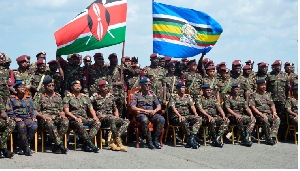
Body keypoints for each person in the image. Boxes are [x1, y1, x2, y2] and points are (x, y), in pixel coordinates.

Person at [91, 80, 129, 152]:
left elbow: (115, 109)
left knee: (126, 121)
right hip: (101, 118)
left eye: (106, 87)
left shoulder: (111, 97)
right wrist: (96, 117)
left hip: (111, 118)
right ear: (99, 87)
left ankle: (114, 139)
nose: (105, 88)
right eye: (103, 87)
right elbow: (90, 109)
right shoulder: (95, 97)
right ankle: (118, 143)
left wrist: (117, 116)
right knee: (111, 119)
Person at [63, 80, 100, 152]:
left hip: (84, 118)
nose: (78, 87)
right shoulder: (67, 98)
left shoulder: (85, 97)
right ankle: (90, 144)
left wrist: (95, 117)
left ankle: (86, 143)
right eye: (75, 85)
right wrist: (75, 118)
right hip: (73, 119)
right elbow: (66, 111)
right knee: (79, 124)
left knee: (97, 123)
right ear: (71, 87)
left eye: (79, 85)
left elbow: (91, 109)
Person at [34, 78, 69, 154]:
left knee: (65, 121)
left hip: (56, 117)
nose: (51, 86)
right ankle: (60, 145)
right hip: (44, 119)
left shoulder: (58, 96)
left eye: (52, 85)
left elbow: (61, 110)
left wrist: (62, 114)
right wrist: (43, 117)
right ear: (45, 86)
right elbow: (35, 111)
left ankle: (56, 145)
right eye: (49, 85)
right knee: (49, 122)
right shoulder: (40, 96)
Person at [130, 77, 165, 149]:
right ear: (141, 85)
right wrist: (145, 111)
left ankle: (155, 140)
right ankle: (149, 141)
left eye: (149, 85)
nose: (148, 86)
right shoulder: (136, 95)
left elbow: (159, 106)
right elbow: (132, 107)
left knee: (161, 119)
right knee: (144, 120)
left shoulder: (152, 94)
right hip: (141, 114)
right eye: (146, 84)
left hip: (152, 113)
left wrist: (154, 111)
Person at [6, 81, 38, 156]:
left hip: (27, 117)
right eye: (20, 87)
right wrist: (14, 118)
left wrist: (33, 117)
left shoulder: (28, 98)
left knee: (34, 126)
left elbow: (32, 110)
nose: (23, 88)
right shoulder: (11, 98)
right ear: (16, 89)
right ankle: (26, 148)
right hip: (17, 118)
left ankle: (22, 145)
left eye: (24, 87)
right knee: (21, 126)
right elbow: (9, 110)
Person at [168, 82, 202, 149]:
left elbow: (192, 106)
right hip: (176, 117)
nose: (182, 89)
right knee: (183, 120)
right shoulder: (173, 96)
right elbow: (173, 107)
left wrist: (195, 114)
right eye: (181, 87)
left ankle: (191, 138)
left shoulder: (188, 96)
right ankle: (190, 140)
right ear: (178, 88)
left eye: (183, 87)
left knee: (199, 119)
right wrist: (179, 115)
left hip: (187, 115)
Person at [249, 79, 281, 145]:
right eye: (262, 85)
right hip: (259, 115)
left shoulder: (268, 94)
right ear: (257, 86)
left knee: (277, 119)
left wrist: (274, 113)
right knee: (265, 120)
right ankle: (268, 138)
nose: (264, 86)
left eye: (265, 85)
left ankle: (272, 136)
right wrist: (261, 114)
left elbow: (272, 105)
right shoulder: (253, 95)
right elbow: (253, 107)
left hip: (269, 113)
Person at [266, 60, 290, 139]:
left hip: (282, 100)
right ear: (273, 67)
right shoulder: (269, 75)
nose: (278, 67)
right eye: (276, 66)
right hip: (272, 100)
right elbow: (266, 88)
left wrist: (288, 99)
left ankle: (282, 135)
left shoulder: (285, 75)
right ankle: (271, 134)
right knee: (271, 117)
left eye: (279, 65)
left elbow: (288, 89)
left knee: (282, 118)